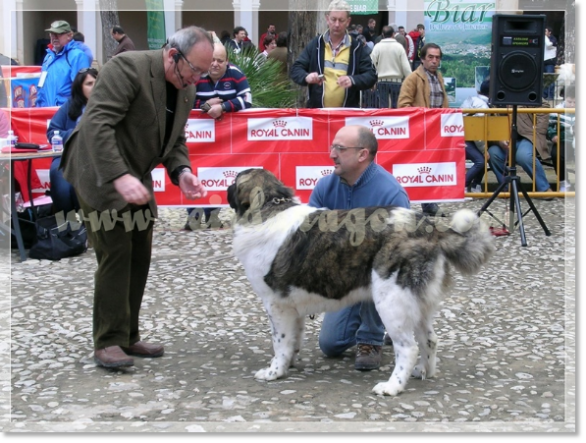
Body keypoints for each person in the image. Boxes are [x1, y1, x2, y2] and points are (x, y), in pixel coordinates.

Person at [60, 26, 214, 368]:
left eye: (205, 72)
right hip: (99, 169)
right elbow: (98, 125)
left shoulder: (185, 89)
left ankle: (128, 335)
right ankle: (108, 341)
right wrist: (118, 176)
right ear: (173, 56)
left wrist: (182, 172)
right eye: (196, 70)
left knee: (139, 252)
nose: (198, 79)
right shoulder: (127, 68)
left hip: (135, 174)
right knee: (116, 251)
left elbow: (174, 140)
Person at [308, 125, 410, 371]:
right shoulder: (324, 187)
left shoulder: (391, 194)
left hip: (383, 278)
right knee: (330, 345)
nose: (332, 154)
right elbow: (309, 238)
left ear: (363, 155)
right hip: (343, 279)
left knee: (371, 262)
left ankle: (371, 338)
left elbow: (400, 256)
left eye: (340, 149)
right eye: (332, 147)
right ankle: (390, 323)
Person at [186, 43, 252, 230]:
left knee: (217, 174)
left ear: (227, 62)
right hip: (197, 136)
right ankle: (193, 215)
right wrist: (206, 105)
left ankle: (213, 214)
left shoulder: (236, 74)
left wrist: (222, 107)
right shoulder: (196, 73)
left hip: (226, 137)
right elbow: (185, 99)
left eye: (219, 61)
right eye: (212, 60)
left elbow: (247, 100)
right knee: (194, 171)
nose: (215, 64)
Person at [290, 0, 377, 109]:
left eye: (341, 20)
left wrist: (353, 80)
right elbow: (295, 69)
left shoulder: (356, 48)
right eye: (333, 19)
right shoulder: (316, 44)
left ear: (348, 21)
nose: (337, 24)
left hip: (346, 116)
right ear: (327, 19)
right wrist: (306, 77)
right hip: (317, 114)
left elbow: (371, 75)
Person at [398, 42, 448, 216]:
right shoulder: (413, 78)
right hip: (419, 132)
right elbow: (403, 105)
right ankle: (411, 204)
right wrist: (422, 117)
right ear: (422, 59)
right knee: (418, 167)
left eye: (437, 57)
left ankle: (430, 203)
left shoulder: (438, 77)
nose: (434, 61)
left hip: (435, 131)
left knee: (433, 167)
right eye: (430, 57)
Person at [47, 67, 98, 215]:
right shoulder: (70, 105)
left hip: (95, 157)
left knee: (84, 186)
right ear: (80, 87)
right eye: (89, 84)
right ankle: (66, 229)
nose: (93, 87)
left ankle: (85, 228)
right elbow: (52, 132)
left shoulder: (107, 106)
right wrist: (76, 134)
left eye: (96, 83)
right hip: (67, 156)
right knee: (62, 186)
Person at [487, 104, 554, 196]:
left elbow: (544, 105)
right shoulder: (496, 99)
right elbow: (491, 125)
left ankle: (544, 188)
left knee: (524, 156)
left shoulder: (527, 93)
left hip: (528, 137)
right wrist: (499, 140)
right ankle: (507, 187)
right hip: (504, 139)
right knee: (493, 153)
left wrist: (538, 131)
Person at [36, 20, 91, 107]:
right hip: (46, 113)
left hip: (67, 114)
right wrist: (39, 107)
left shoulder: (77, 56)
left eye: (59, 34)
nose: (54, 37)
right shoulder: (48, 57)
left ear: (69, 35)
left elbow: (82, 90)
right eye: (52, 34)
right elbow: (41, 86)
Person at [370, 25, 412, 109]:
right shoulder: (399, 47)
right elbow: (405, 66)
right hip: (396, 81)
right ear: (393, 34)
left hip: (381, 81)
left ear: (382, 34)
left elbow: (371, 64)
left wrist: (371, 81)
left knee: (383, 107)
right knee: (396, 106)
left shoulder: (377, 47)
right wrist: (410, 81)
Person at [460, 79, 490, 193]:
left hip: (464, 137)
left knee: (483, 158)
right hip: (465, 140)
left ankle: (475, 185)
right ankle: (464, 186)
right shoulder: (483, 106)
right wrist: (484, 150)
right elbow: (478, 133)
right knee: (481, 161)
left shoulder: (472, 99)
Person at [547, 85, 575, 191]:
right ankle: (563, 181)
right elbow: (549, 126)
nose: (572, 105)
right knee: (556, 154)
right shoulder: (557, 110)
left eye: (575, 102)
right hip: (563, 140)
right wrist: (553, 135)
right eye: (569, 101)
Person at [543, 26, 558, 100]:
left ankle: (550, 96)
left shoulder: (553, 39)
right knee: (543, 79)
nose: (544, 33)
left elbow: (549, 45)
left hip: (550, 62)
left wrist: (545, 37)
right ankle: (544, 95)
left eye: (545, 31)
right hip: (543, 61)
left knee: (550, 79)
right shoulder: (544, 39)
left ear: (549, 32)